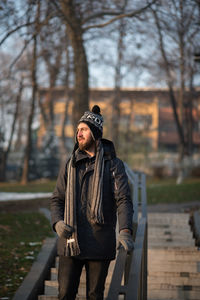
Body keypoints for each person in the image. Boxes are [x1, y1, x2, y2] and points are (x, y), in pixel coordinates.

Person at [50, 105, 134, 300]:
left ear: (95, 133)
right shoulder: (69, 164)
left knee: (95, 296)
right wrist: (57, 223)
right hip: (71, 241)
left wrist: (125, 231)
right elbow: (57, 199)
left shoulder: (113, 164)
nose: (79, 134)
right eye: (78, 130)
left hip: (99, 241)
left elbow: (123, 200)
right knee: (64, 294)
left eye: (84, 129)